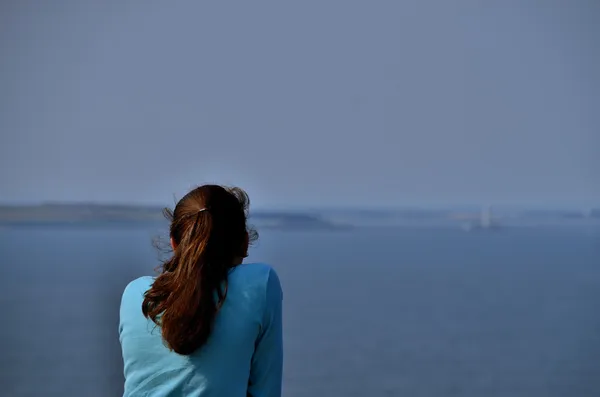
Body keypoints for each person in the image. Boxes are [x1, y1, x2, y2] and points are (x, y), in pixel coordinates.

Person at [119, 185, 283, 397]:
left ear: (174, 243)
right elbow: (265, 392)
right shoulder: (260, 284)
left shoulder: (135, 295)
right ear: (244, 243)